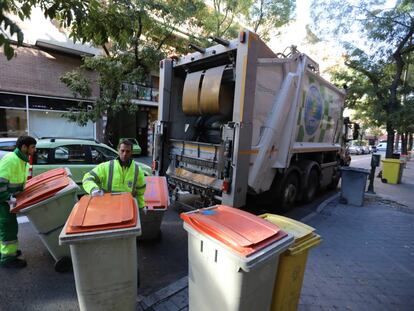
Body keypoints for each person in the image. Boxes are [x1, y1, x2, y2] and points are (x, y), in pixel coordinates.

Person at [0, 135, 36, 268]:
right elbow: (0, 183)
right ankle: (8, 258)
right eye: (32, 147)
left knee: (6, 228)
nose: (35, 150)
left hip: (8, 200)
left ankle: (7, 252)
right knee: (8, 229)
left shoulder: (22, 160)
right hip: (3, 201)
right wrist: (8, 198)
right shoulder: (11, 160)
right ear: (24, 147)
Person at [82, 139, 146, 208]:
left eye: (128, 151)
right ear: (118, 150)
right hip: (108, 207)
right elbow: (87, 178)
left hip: (127, 209)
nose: (125, 154)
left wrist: (141, 207)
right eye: (122, 151)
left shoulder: (137, 170)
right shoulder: (106, 167)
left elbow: (140, 192)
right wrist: (93, 189)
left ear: (131, 152)